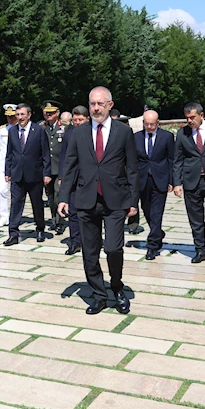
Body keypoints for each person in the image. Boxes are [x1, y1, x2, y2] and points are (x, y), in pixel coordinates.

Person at [58, 86, 138, 315]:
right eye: (92, 103)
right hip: (86, 200)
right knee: (89, 252)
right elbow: (70, 166)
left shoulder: (123, 132)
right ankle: (99, 295)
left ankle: (117, 286)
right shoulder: (78, 133)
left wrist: (134, 201)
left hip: (115, 200)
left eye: (100, 104)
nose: (95, 108)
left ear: (110, 105)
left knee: (113, 247)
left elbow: (132, 168)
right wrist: (63, 198)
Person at [173, 102, 205, 263]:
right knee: (195, 219)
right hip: (191, 181)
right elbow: (177, 160)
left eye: (193, 117)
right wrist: (177, 183)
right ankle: (200, 250)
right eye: (187, 118)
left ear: (201, 115)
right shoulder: (182, 134)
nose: (190, 121)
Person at [128, 110, 174, 260]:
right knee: (147, 210)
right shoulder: (136, 138)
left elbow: (172, 160)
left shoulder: (167, 137)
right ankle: (158, 233)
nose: (149, 127)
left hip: (160, 179)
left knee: (156, 213)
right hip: (142, 179)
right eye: (147, 124)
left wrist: (172, 181)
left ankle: (152, 246)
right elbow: (132, 161)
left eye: (152, 124)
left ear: (158, 123)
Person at [4, 103, 51, 245]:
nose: (19, 117)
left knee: (37, 204)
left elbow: (45, 154)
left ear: (29, 115)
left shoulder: (39, 130)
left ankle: (40, 229)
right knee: (16, 204)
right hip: (17, 174)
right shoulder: (12, 131)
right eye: (17, 115)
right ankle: (13, 233)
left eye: (22, 114)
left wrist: (46, 173)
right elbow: (9, 153)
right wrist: (8, 171)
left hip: (35, 174)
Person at [58, 105, 89, 255]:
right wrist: (61, 177)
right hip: (72, 178)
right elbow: (64, 156)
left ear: (87, 119)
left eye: (80, 120)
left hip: (89, 178)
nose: (77, 122)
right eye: (75, 120)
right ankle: (75, 241)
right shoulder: (69, 133)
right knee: (73, 212)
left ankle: (89, 240)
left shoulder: (93, 132)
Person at [41, 101, 69, 234]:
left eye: (51, 112)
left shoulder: (65, 127)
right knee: (50, 196)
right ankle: (53, 219)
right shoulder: (41, 127)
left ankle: (60, 222)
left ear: (57, 113)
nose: (48, 115)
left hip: (60, 166)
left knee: (59, 195)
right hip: (46, 167)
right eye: (46, 112)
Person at [0, 104, 18, 227]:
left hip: (17, 166)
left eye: (12, 116)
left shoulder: (20, 130)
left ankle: (14, 216)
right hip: (3, 165)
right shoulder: (2, 130)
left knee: (16, 193)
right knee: (1, 190)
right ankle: (4, 216)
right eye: (8, 117)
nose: (10, 119)